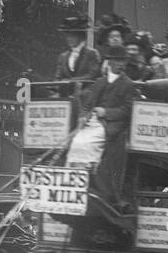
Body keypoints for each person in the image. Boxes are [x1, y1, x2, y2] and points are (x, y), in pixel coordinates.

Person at [79, 47, 138, 206]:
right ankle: (80, 184)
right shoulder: (99, 82)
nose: (121, 65)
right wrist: (83, 117)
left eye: (123, 61)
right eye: (118, 61)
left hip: (115, 125)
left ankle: (103, 193)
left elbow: (127, 110)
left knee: (99, 146)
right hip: (95, 123)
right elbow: (88, 105)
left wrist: (106, 112)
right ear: (110, 62)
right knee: (78, 143)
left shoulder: (128, 84)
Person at [54, 16, 101, 84]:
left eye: (73, 36)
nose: (69, 39)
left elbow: (92, 76)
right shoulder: (63, 57)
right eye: (68, 36)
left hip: (86, 91)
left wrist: (71, 81)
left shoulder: (91, 54)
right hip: (65, 92)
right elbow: (58, 78)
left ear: (81, 36)